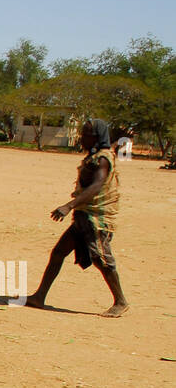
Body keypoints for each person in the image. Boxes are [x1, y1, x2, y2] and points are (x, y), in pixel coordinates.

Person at [23, 119, 127, 317]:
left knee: (101, 259)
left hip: (97, 218)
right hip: (84, 216)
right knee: (58, 252)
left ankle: (120, 301)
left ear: (96, 137)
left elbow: (97, 185)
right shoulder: (94, 157)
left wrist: (69, 205)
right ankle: (39, 296)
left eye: (86, 134)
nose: (82, 138)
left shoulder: (103, 159)